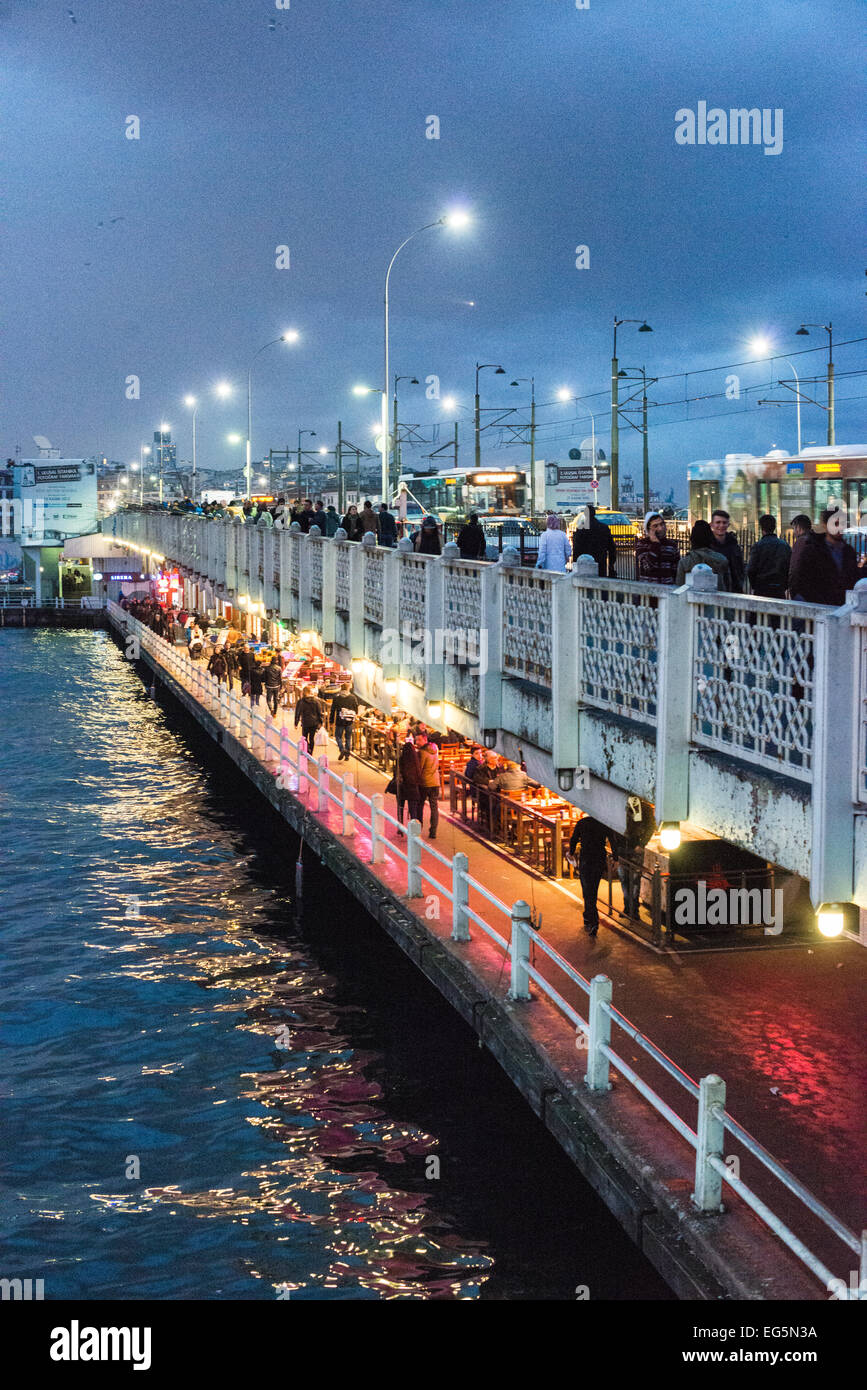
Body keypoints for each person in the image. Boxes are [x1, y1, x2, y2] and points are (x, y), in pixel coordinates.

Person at [788, 506, 859, 606]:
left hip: (842, 609)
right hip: (820, 609)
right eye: (835, 523)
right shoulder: (812, 551)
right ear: (825, 525)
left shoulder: (849, 552)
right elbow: (801, 582)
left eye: (842, 524)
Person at [566, 816, 617, 937]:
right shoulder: (604, 823)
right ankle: (589, 918)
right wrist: (616, 858)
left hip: (586, 858)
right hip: (599, 858)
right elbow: (613, 840)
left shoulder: (582, 822)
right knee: (593, 889)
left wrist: (571, 852)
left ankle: (592, 920)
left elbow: (574, 839)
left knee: (587, 890)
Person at [675, 519, 731, 589]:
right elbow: (728, 586)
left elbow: (679, 587)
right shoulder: (721, 560)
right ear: (710, 538)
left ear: (692, 539)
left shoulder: (684, 562)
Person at [746, 514, 792, 598]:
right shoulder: (785, 546)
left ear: (761, 528)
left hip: (761, 588)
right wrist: (784, 585)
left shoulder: (757, 546)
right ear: (774, 527)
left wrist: (754, 585)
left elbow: (750, 569)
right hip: (779, 589)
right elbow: (790, 568)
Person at [571, 504, 617, 577]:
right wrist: (611, 564)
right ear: (594, 513)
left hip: (585, 564)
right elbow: (612, 548)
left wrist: (574, 563)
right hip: (600, 562)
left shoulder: (581, 529)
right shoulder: (604, 528)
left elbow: (576, 548)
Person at [635, 511, 680, 585]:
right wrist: (655, 544)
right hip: (648, 590)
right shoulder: (642, 544)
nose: (660, 528)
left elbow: (676, 569)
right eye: (655, 526)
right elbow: (647, 566)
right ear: (648, 529)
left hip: (667, 589)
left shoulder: (672, 545)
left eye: (662, 524)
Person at [708, 509, 745, 593]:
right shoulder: (707, 546)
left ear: (728, 525)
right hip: (713, 591)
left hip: (734, 590)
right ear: (711, 525)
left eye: (724, 522)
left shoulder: (734, 546)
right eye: (718, 522)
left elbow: (740, 567)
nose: (721, 525)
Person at [415, 733, 440, 838]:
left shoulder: (422, 753)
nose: (417, 742)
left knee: (419, 806)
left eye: (419, 740)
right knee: (434, 807)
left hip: (425, 783)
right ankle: (433, 831)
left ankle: (418, 829)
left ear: (425, 739)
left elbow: (419, 768)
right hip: (435, 782)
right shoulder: (435, 749)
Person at [330, 679, 360, 760]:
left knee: (338, 736)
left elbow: (333, 710)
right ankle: (347, 755)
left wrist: (331, 721)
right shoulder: (352, 697)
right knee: (348, 737)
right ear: (348, 688)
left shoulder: (336, 698)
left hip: (340, 721)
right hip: (349, 721)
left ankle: (342, 749)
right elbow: (356, 709)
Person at [294, 684, 324, 754]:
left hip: (305, 722)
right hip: (314, 723)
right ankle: (311, 752)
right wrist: (321, 722)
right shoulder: (316, 701)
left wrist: (296, 723)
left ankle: (306, 749)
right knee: (311, 738)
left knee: (304, 737)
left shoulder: (301, 701)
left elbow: (297, 713)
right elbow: (319, 712)